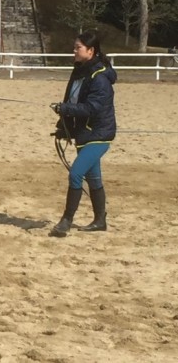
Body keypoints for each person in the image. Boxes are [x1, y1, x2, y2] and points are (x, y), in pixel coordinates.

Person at [49, 31, 117, 237]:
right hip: (83, 134)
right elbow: (71, 100)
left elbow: (91, 108)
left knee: (76, 173)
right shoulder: (79, 71)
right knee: (94, 178)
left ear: (91, 51)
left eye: (78, 47)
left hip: (99, 134)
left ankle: (66, 221)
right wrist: (64, 127)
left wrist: (65, 109)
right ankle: (100, 221)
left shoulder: (100, 78)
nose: (74, 50)